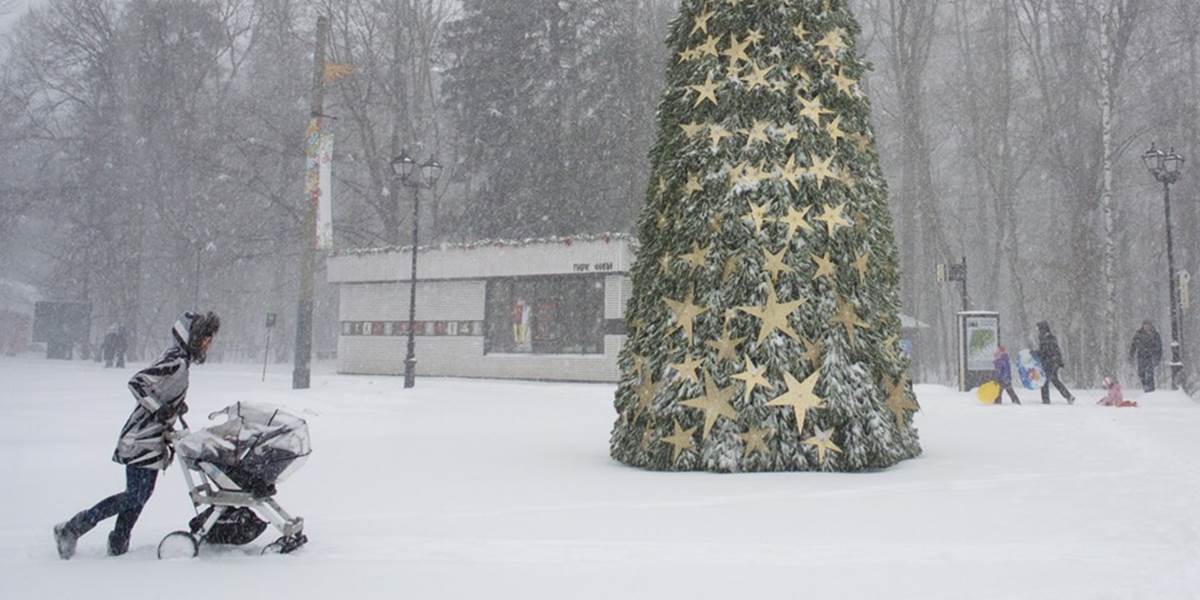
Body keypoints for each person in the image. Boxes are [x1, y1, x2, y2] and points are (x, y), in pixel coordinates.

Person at [53, 311, 220, 559]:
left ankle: (119, 541)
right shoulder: (176, 361)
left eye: (209, 339)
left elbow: (160, 389)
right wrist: (160, 408)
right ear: (190, 336)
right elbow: (138, 382)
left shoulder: (179, 360)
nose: (207, 343)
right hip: (141, 438)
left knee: (139, 494)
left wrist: (173, 406)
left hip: (152, 439)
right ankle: (73, 528)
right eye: (204, 338)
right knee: (136, 494)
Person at [1035, 321, 1075, 405]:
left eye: (1039, 329)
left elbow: (1045, 352)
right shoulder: (1049, 338)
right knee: (1054, 380)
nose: (1038, 331)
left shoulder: (1047, 339)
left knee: (1044, 381)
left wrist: (1036, 353)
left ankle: (1046, 400)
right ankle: (1068, 396)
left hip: (1050, 362)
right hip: (1053, 362)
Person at [1129, 320, 1163, 393]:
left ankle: (1150, 390)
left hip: (1151, 357)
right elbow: (1133, 345)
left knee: (1149, 374)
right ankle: (1145, 387)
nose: (1147, 327)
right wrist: (1131, 355)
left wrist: (1157, 358)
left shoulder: (1155, 335)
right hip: (1141, 356)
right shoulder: (1138, 334)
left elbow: (1159, 347)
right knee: (1141, 374)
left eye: (1148, 325)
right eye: (1145, 325)